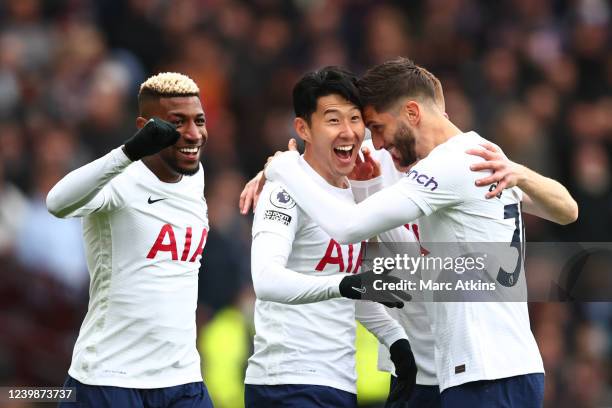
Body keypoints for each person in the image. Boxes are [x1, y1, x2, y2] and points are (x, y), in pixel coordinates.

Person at [264, 58, 578, 408]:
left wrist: (283, 169)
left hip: (485, 372)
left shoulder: (446, 167)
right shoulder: (483, 154)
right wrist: (518, 172)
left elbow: (347, 227)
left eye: (378, 128)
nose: (376, 142)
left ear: (412, 113)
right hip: (490, 368)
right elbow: (567, 210)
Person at [244, 66, 416, 408]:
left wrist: (396, 340)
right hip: (287, 382)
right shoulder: (284, 190)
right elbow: (265, 280)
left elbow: (344, 288)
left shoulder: (353, 192)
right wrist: (343, 284)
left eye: (355, 119)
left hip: (338, 383)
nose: (349, 131)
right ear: (303, 128)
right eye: (333, 120)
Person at [46, 72, 214, 407]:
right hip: (110, 379)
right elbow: (56, 202)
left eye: (199, 121)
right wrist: (128, 152)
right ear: (145, 127)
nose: (193, 134)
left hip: (182, 379)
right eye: (177, 123)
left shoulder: (194, 178)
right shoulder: (121, 180)